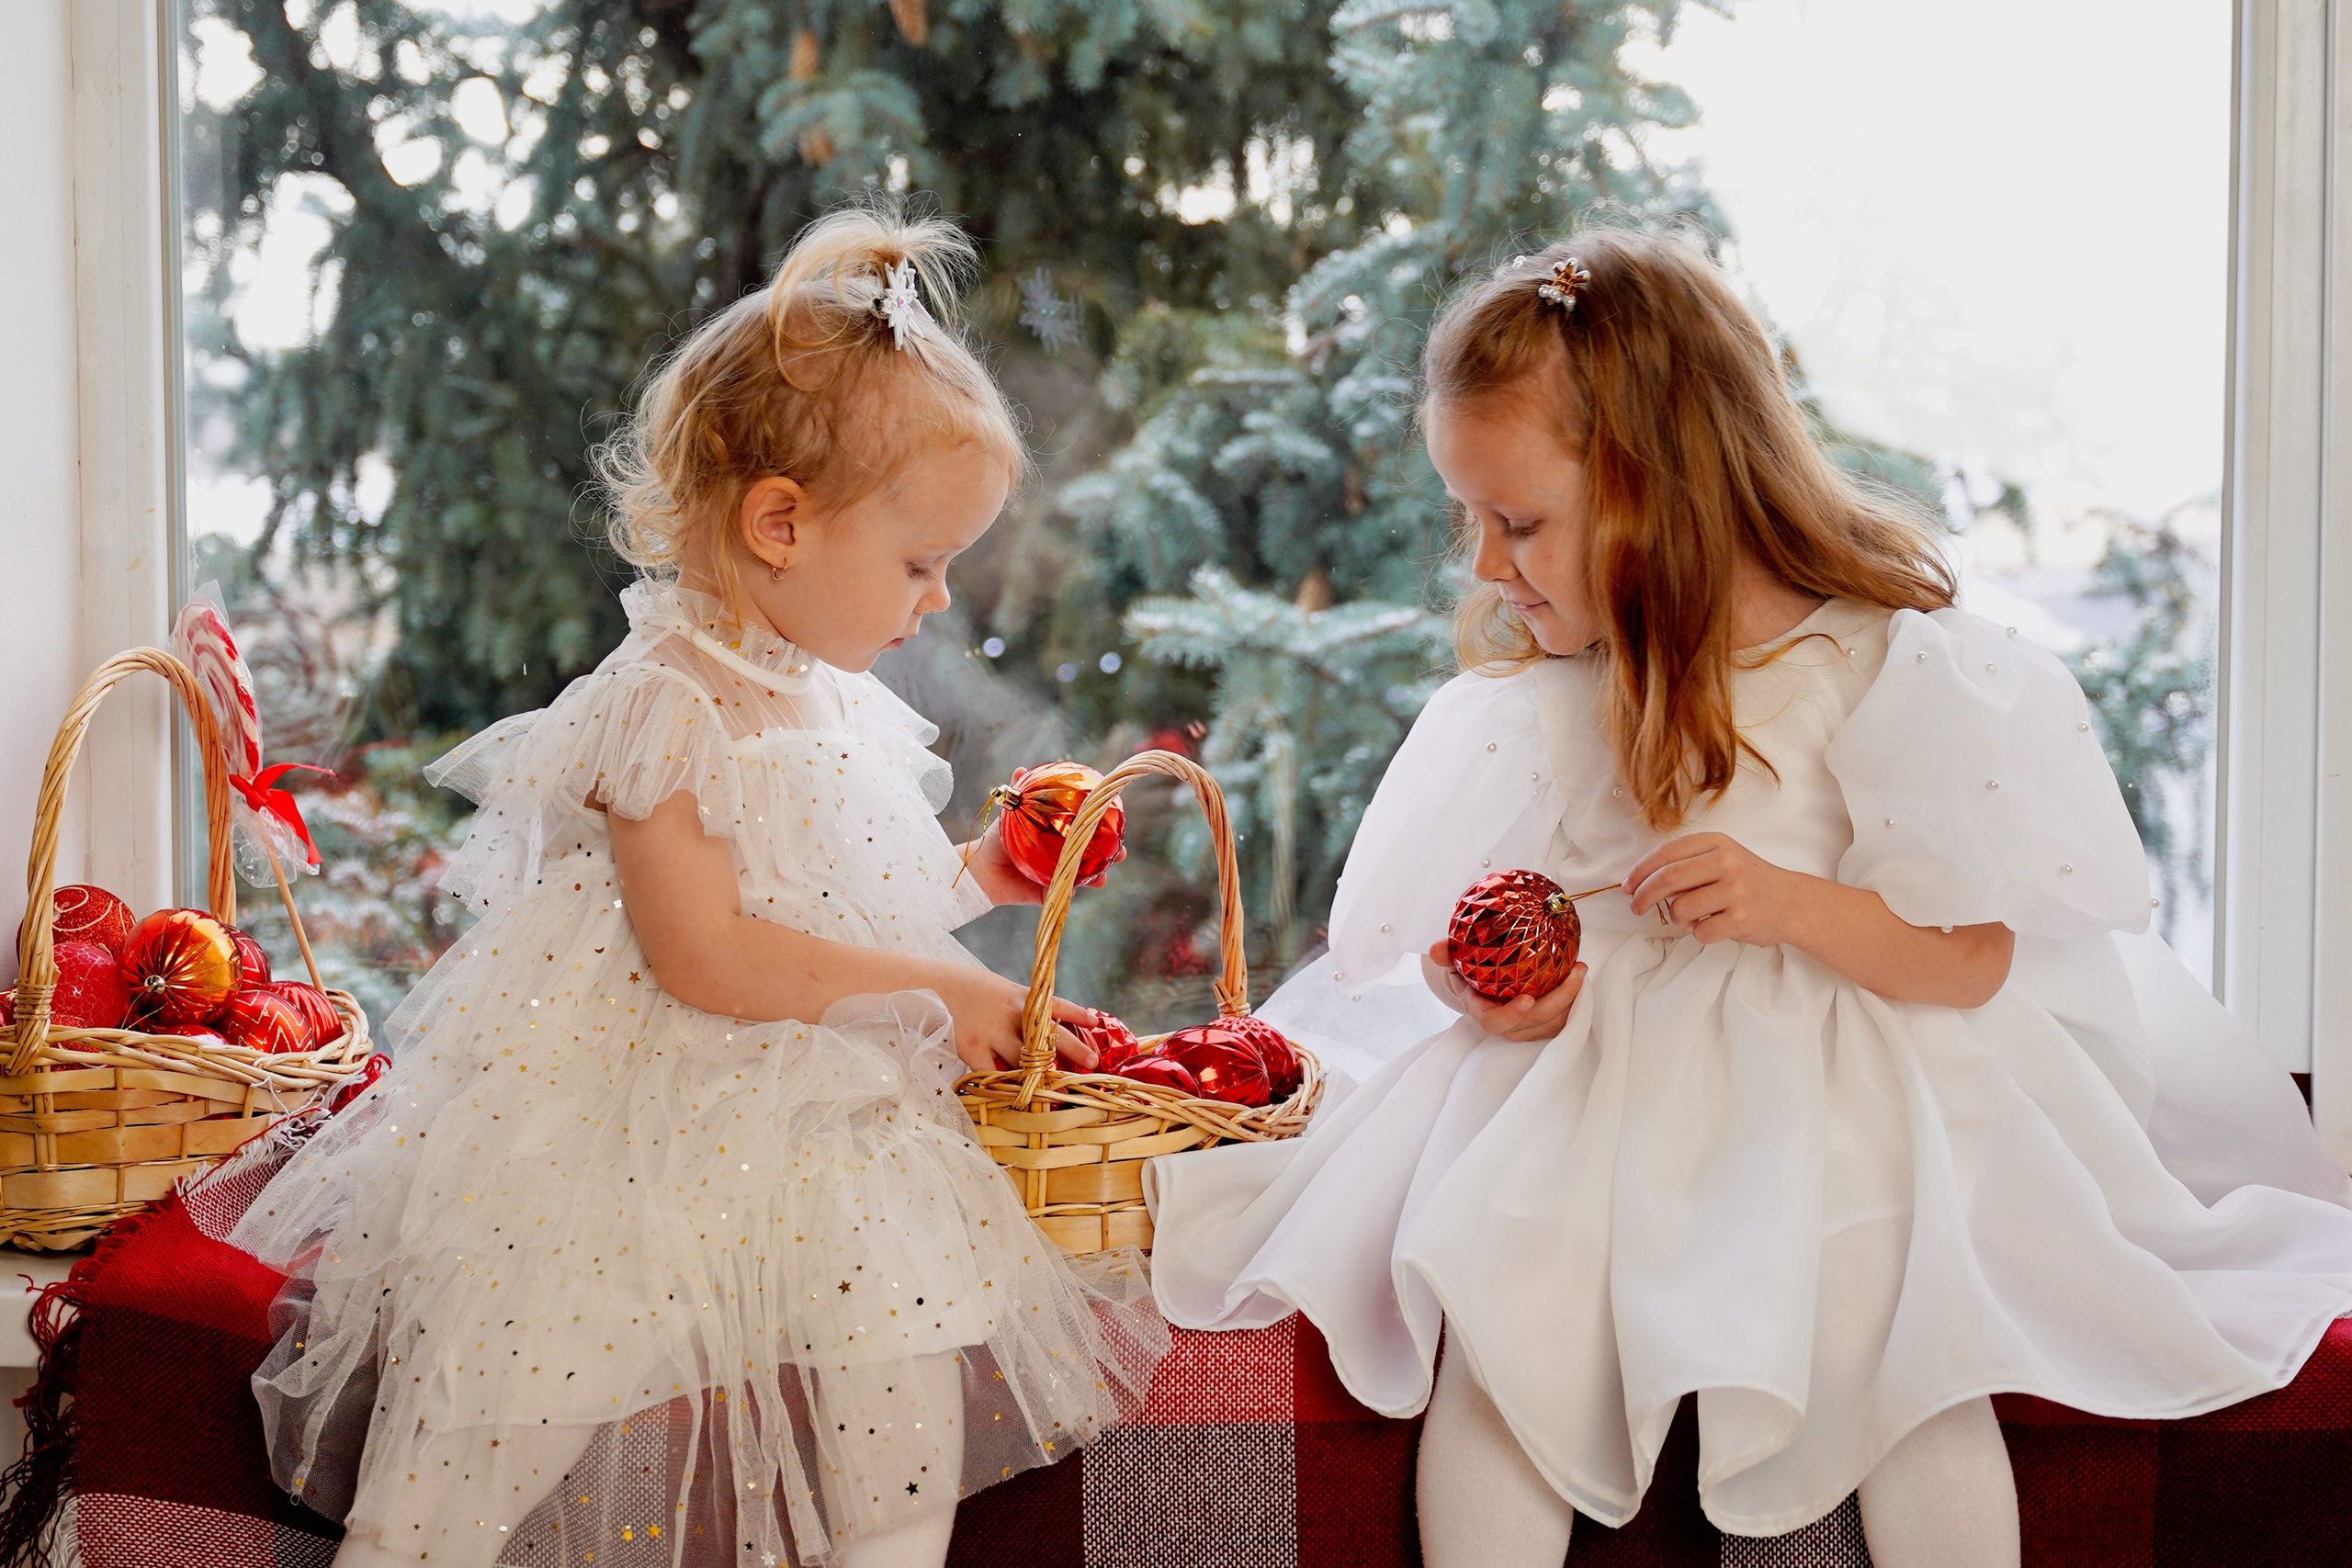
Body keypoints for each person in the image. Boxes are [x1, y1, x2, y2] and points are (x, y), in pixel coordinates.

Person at [1145, 228, 2352, 1568]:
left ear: (1656, 484)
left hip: (1838, 1093)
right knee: (1502, 1323)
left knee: (1914, 1362)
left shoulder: (1889, 663)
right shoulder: (1547, 702)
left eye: (1519, 522)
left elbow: (1972, 960)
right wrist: (1502, 995)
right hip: (1600, 1096)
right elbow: (1451, 945)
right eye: (1472, 521)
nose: (1486, 566)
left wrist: (1791, 903)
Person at [227, 203, 1160, 1568]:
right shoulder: (660, 706)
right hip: (619, 1133)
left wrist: (981, 876)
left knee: (897, 1416)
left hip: (817, 1135)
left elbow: (839, 906)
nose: (940, 601)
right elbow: (709, 955)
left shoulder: (826, 702)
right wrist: (937, 988)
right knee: (496, 1410)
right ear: (781, 523)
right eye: (920, 563)